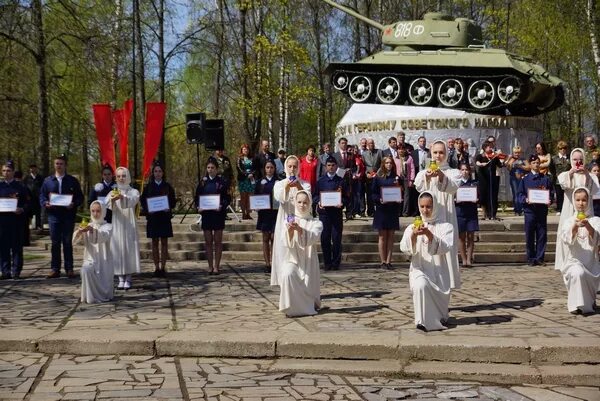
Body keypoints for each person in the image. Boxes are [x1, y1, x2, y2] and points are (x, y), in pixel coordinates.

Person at [400, 191, 454, 332]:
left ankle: (438, 317)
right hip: (419, 267)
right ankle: (421, 320)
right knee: (420, 285)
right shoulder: (412, 227)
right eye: (422, 206)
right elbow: (404, 248)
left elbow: (446, 246)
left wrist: (429, 235)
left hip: (438, 271)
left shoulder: (446, 226)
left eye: (428, 207)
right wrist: (413, 236)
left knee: (437, 303)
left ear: (435, 206)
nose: (425, 210)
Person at [414, 140, 461, 290]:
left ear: (446, 154)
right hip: (428, 217)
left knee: (445, 251)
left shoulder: (453, 172)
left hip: (445, 216)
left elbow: (453, 187)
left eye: (441, 152)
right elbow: (418, 185)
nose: (438, 156)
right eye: (435, 152)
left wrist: (440, 175)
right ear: (431, 154)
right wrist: (427, 177)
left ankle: (446, 287)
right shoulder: (423, 172)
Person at [278, 190, 324, 317]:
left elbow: (313, 237)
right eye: (299, 202)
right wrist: (290, 231)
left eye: (305, 202)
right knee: (287, 274)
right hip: (293, 258)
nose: (302, 205)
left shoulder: (316, 223)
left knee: (307, 282)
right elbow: (285, 241)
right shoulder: (288, 220)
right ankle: (290, 307)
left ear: (309, 204)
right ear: (295, 203)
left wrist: (300, 229)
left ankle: (307, 306)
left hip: (308, 260)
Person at [555, 187, 600, 314]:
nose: (581, 203)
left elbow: (597, 239)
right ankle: (576, 305)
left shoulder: (596, 220)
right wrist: (575, 226)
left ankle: (589, 302)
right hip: (574, 260)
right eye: (578, 200)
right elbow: (566, 238)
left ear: (588, 201)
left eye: (584, 200)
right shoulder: (568, 221)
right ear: (573, 201)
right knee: (577, 273)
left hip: (591, 262)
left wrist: (588, 226)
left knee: (585, 274)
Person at [40, 154, 84, 279]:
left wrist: (74, 203)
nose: (59, 166)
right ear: (54, 165)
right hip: (53, 216)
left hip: (68, 216)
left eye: (61, 164)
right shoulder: (48, 181)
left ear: (65, 165)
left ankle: (69, 268)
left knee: (67, 242)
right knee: (55, 243)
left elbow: (80, 197)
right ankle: (55, 269)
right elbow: (42, 196)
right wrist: (45, 203)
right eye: (57, 163)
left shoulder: (72, 181)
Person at [271, 155, 311, 287]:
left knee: (301, 253)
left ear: (298, 167)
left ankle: (301, 283)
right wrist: (287, 187)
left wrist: (298, 186)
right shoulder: (279, 184)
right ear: (285, 168)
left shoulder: (305, 184)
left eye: (295, 166)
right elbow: (280, 198)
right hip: (284, 219)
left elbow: (308, 199)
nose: (292, 169)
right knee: (284, 252)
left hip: (301, 221)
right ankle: (285, 283)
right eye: (290, 166)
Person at [556, 148, 596, 269]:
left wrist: (587, 174)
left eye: (580, 159)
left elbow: (593, 189)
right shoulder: (565, 174)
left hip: (586, 208)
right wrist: (571, 173)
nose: (577, 162)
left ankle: (587, 259)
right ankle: (565, 260)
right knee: (568, 230)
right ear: (571, 160)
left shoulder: (591, 176)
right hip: (569, 208)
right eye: (575, 159)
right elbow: (564, 185)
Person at [195, 157, 231, 275]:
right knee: (208, 241)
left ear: (216, 169)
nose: (210, 170)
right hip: (206, 214)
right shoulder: (203, 182)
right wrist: (198, 207)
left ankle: (217, 266)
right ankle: (210, 266)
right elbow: (197, 197)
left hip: (218, 214)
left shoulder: (222, 182)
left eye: (212, 168)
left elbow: (227, 198)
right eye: (208, 168)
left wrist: (222, 205)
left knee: (218, 241)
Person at [140, 162, 176, 277]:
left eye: (160, 171)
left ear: (163, 173)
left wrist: (169, 207)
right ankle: (156, 268)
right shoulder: (148, 187)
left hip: (164, 218)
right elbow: (143, 201)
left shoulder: (168, 186)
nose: (158, 173)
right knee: (154, 243)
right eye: (156, 171)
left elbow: (173, 201)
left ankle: (163, 267)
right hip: (153, 218)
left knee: (164, 242)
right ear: (153, 173)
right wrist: (147, 210)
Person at [74, 201, 114, 303]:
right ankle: (89, 296)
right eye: (93, 211)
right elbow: (74, 241)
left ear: (103, 212)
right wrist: (79, 232)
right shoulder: (87, 225)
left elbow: (102, 237)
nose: (95, 214)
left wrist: (92, 230)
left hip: (104, 260)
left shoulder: (108, 226)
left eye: (98, 211)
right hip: (90, 258)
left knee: (103, 279)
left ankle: (102, 295)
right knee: (85, 270)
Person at [518, 155, 554, 266]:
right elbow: (519, 195)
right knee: (529, 235)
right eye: (534, 163)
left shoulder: (545, 179)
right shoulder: (525, 179)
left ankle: (540, 258)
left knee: (542, 235)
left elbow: (551, 193)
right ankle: (531, 258)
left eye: (538, 163)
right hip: (530, 211)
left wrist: (550, 200)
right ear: (530, 164)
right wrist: (526, 199)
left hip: (542, 211)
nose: (536, 165)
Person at [108, 166, 140, 289]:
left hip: (129, 223)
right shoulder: (112, 192)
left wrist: (122, 198)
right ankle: (120, 277)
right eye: (119, 176)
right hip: (117, 223)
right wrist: (112, 200)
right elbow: (107, 205)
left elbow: (132, 201)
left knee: (128, 247)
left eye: (124, 176)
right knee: (118, 248)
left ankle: (129, 277)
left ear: (128, 177)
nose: (121, 178)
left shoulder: (133, 191)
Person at [314, 156, 348, 270]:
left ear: (336, 166)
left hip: (336, 213)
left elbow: (347, 197)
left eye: (333, 165)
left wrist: (342, 203)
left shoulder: (341, 181)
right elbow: (314, 196)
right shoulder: (321, 181)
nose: (331, 167)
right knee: (325, 238)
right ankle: (327, 263)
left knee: (337, 238)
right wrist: (319, 201)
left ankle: (336, 263)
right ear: (325, 167)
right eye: (329, 165)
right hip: (324, 214)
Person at [371, 156, 402, 269]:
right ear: (383, 164)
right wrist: (379, 199)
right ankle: (383, 261)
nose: (389, 165)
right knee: (382, 236)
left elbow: (400, 191)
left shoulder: (396, 178)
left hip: (392, 209)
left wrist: (399, 198)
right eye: (387, 163)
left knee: (391, 236)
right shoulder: (378, 178)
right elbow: (373, 194)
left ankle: (389, 261)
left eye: (390, 163)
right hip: (381, 210)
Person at [0, 161, 29, 280]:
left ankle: (16, 271)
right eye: (4, 171)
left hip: (16, 221)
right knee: (3, 247)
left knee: (16, 247)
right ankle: (5, 271)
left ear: (13, 172)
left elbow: (28, 203)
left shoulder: (21, 187)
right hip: (2, 221)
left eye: (8, 170)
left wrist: (21, 209)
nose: (6, 173)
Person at [254, 160, 279, 273]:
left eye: (271, 167)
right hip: (264, 213)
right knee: (265, 238)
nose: (269, 169)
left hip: (275, 213)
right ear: (264, 169)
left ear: (274, 169)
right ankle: (267, 263)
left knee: (274, 238)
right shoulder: (260, 182)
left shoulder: (279, 182)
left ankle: (275, 262)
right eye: (267, 167)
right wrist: (256, 205)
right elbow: (255, 196)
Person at [455, 163, 479, 267]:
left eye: (466, 170)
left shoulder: (474, 183)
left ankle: (469, 259)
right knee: (461, 237)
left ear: (469, 171)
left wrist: (477, 199)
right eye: (462, 169)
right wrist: (456, 200)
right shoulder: (456, 184)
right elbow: (451, 197)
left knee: (470, 236)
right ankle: (463, 259)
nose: (464, 171)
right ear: (459, 171)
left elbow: (479, 196)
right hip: (460, 211)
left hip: (471, 212)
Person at [475, 141, 504, 220]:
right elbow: (477, 162)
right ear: (484, 148)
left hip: (492, 179)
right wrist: (481, 164)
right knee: (483, 195)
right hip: (483, 179)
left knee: (493, 196)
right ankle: (485, 213)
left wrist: (504, 161)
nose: (491, 148)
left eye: (491, 147)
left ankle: (493, 214)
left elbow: (500, 165)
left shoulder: (494, 156)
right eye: (489, 147)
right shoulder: (481, 156)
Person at [410, 136, 430, 216]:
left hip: (427, 175)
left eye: (424, 141)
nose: (423, 143)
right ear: (418, 142)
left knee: (426, 193)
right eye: (421, 141)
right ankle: (416, 211)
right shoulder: (413, 152)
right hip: (417, 175)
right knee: (416, 194)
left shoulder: (429, 152)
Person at [362, 138, 382, 217]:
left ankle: (379, 210)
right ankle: (371, 211)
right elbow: (363, 166)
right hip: (368, 178)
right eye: (369, 144)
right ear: (367, 145)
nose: (371, 145)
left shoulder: (379, 152)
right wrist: (366, 173)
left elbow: (382, 164)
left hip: (378, 176)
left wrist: (378, 173)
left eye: (372, 143)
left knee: (378, 194)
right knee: (369, 195)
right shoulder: (364, 154)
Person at [236, 144, 257, 220]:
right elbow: (239, 168)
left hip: (251, 180)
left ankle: (248, 213)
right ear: (241, 150)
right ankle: (243, 214)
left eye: (247, 149)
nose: (246, 150)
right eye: (244, 149)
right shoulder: (239, 158)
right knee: (243, 197)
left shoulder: (252, 158)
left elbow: (255, 168)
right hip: (243, 180)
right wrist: (246, 174)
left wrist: (252, 174)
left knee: (249, 197)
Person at [506, 146, 527, 216]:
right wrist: (510, 162)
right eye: (515, 153)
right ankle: (517, 210)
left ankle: (522, 209)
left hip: (522, 178)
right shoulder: (511, 159)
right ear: (513, 153)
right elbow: (508, 168)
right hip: (513, 179)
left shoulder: (523, 159)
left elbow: (529, 167)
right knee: (515, 194)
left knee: (522, 193)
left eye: (518, 153)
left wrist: (520, 166)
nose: (517, 154)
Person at [551, 141, 571, 215]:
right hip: (558, 180)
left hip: (568, 179)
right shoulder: (554, 158)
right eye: (561, 148)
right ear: (558, 149)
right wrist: (556, 175)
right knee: (559, 195)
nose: (563, 150)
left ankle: (568, 209)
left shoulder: (570, 157)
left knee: (567, 195)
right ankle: (559, 209)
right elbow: (551, 168)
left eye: (564, 148)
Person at [23, 164, 43, 230]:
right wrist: (26, 195)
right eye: (31, 168)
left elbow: (43, 187)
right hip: (29, 197)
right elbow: (24, 187)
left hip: (38, 197)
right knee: (28, 211)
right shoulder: (26, 178)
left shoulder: (40, 177)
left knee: (38, 212)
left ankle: (38, 225)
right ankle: (28, 225)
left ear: (36, 169)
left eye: (34, 168)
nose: (32, 169)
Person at [398, 145, 415, 217]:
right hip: (398, 178)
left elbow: (412, 169)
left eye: (403, 149)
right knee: (398, 195)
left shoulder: (409, 158)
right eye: (399, 149)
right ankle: (398, 212)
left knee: (406, 196)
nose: (401, 150)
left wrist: (411, 179)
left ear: (405, 150)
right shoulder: (395, 158)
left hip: (406, 178)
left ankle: (405, 212)